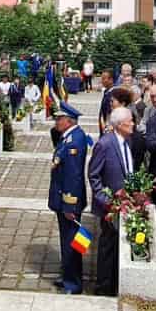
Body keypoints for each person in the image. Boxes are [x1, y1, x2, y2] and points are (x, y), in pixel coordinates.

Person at [88, 106, 136, 297]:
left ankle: (116, 282)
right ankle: (103, 287)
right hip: (111, 207)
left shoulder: (127, 142)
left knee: (119, 246)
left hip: (128, 203)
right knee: (108, 247)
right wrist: (107, 200)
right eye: (130, 121)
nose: (133, 124)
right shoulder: (105, 144)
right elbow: (94, 175)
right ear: (119, 124)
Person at [48, 102, 91, 295]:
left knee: (72, 242)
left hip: (69, 201)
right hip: (63, 197)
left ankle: (73, 283)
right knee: (67, 240)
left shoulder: (74, 141)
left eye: (59, 119)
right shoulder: (70, 136)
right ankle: (68, 275)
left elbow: (73, 176)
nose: (56, 122)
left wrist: (69, 204)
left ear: (69, 121)